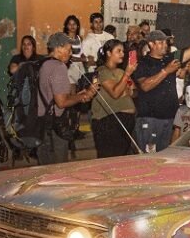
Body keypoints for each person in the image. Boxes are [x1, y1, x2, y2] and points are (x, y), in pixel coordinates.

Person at [131, 29, 190, 152]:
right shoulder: (142, 63)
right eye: (161, 42)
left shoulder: (172, 57)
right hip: (150, 119)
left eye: (166, 42)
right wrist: (166, 71)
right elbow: (144, 86)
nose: (165, 45)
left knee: (167, 156)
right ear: (151, 44)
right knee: (150, 159)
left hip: (171, 118)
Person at [37, 32, 98, 165]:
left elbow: (52, 95)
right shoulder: (59, 67)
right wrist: (84, 95)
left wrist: (80, 94)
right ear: (58, 48)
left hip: (41, 125)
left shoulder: (43, 63)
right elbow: (61, 102)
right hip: (54, 127)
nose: (70, 54)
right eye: (69, 49)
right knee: (58, 169)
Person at [91, 39, 137, 158]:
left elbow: (135, 91)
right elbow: (115, 93)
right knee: (109, 159)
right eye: (119, 51)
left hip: (126, 120)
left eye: (123, 51)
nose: (122, 54)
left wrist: (126, 89)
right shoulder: (102, 71)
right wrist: (126, 76)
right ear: (109, 53)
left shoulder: (121, 71)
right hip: (109, 121)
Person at [63, 15, 86, 86]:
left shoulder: (80, 38)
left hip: (80, 67)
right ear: (66, 26)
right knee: (72, 89)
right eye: (70, 24)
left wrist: (84, 57)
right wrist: (81, 59)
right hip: (70, 67)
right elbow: (66, 57)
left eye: (74, 24)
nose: (72, 26)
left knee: (81, 89)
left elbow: (82, 52)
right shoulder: (64, 39)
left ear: (77, 26)